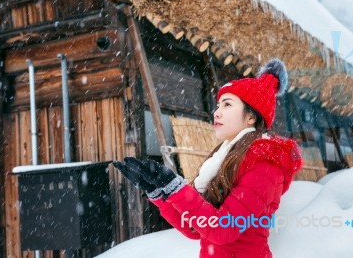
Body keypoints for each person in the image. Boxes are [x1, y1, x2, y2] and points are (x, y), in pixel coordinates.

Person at [113, 58, 303, 258]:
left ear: (251, 117)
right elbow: (195, 229)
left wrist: (175, 187)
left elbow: (223, 229)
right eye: (218, 105)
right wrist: (160, 193)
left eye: (227, 105)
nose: (216, 113)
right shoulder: (224, 158)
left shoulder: (265, 164)